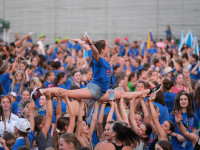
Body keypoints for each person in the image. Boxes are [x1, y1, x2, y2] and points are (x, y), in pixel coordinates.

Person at [32, 36, 154, 102]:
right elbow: (94, 51)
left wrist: (79, 41)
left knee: (122, 95)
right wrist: (91, 44)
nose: (109, 48)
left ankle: (147, 92)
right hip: (94, 90)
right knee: (68, 93)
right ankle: (40, 91)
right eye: (107, 47)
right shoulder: (98, 58)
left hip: (103, 94)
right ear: (102, 50)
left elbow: (86, 48)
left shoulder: (98, 57)